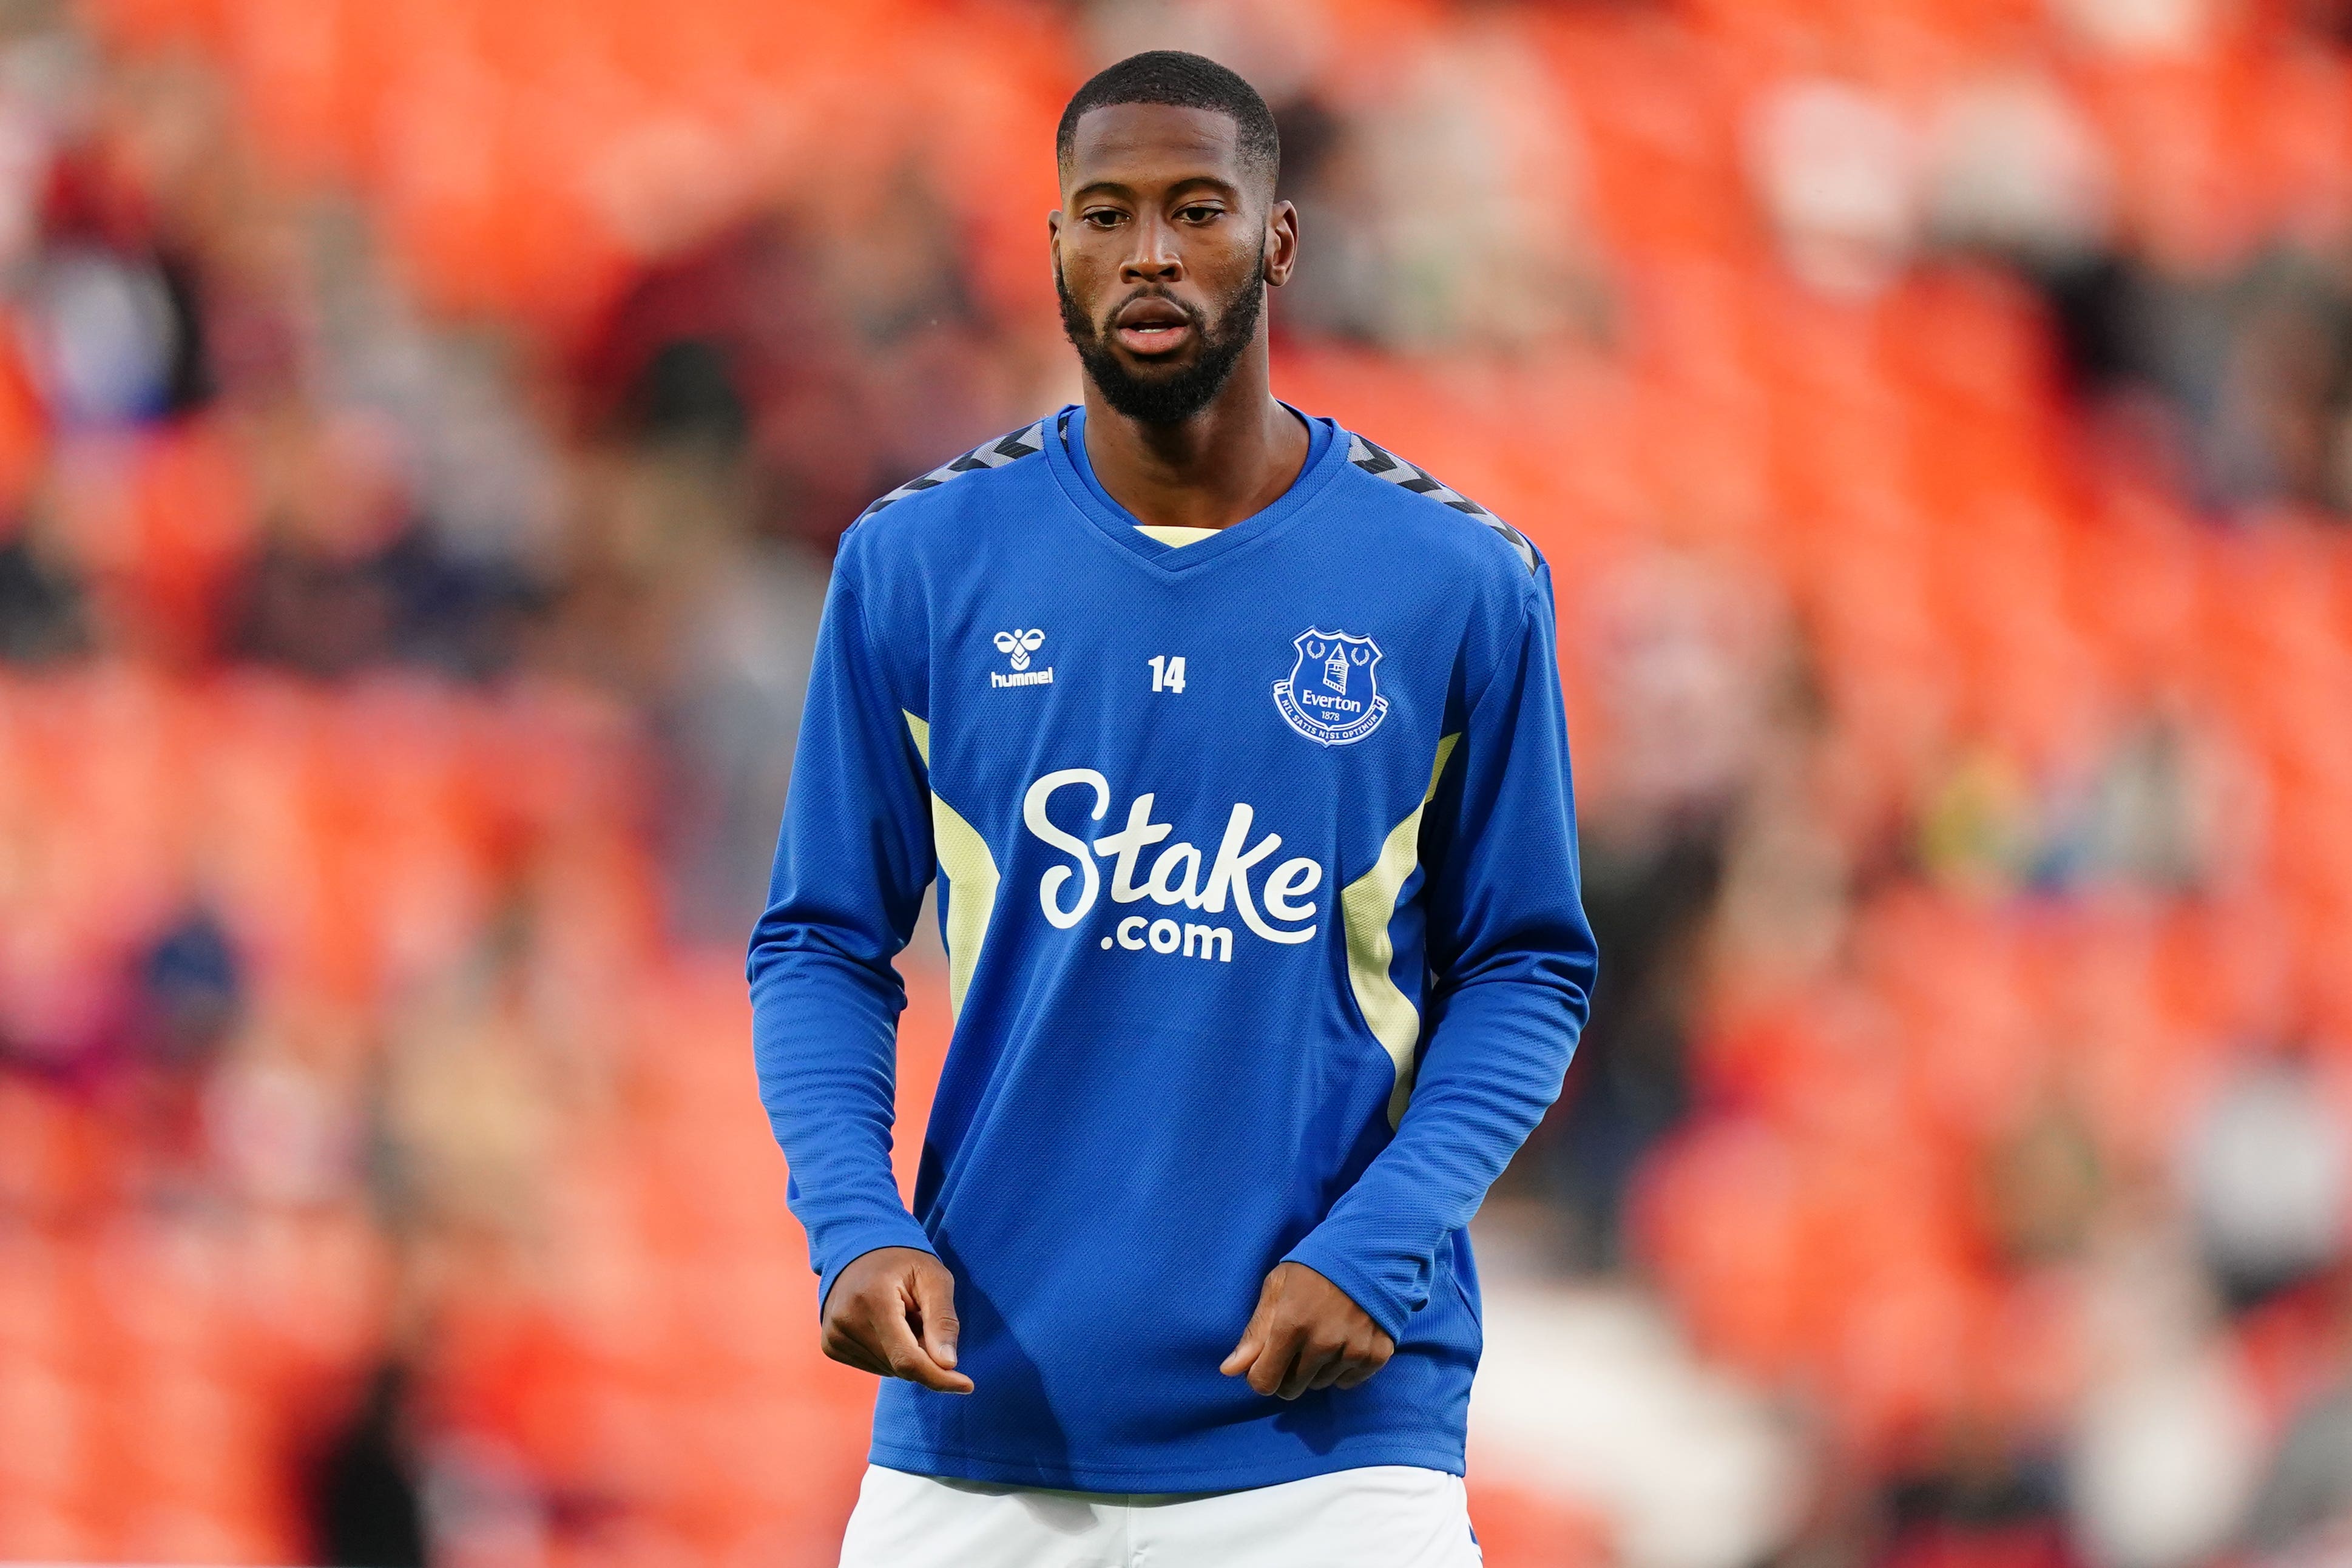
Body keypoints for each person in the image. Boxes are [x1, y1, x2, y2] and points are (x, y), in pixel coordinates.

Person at [748, 49, 1597, 1568]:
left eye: (1198, 210)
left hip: (1331, 1449)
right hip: (985, 1432)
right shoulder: (918, 562)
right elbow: (820, 939)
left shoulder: (1458, 582)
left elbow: (1527, 967)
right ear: (1055, 246)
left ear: (1277, 241)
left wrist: (1380, 1242)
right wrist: (854, 1219)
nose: (1150, 252)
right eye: (1105, 214)